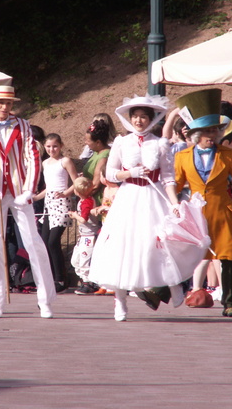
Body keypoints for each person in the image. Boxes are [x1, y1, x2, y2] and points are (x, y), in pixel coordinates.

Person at [89, 94, 209, 322]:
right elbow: (110, 173)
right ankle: (120, 302)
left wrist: (174, 204)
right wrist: (130, 173)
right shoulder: (122, 143)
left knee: (161, 242)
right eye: (135, 117)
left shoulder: (159, 143)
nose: (139, 121)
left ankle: (173, 284)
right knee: (123, 247)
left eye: (144, 117)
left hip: (153, 197)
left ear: (151, 119)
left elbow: (168, 177)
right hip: (129, 197)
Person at [174, 89, 232, 318]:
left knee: (228, 259)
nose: (212, 135)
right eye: (207, 131)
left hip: (223, 212)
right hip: (196, 214)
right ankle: (160, 289)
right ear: (196, 134)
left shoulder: (227, 153)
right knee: (181, 253)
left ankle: (230, 303)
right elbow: (175, 185)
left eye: (214, 130)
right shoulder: (182, 157)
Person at [0, 85, 56, 318]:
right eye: (0, 102)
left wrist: (29, 188)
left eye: (8, 103)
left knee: (33, 243)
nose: (5, 107)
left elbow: (33, 157)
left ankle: (45, 299)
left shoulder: (24, 125)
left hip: (19, 191)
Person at [34, 133, 77, 293]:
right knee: (45, 243)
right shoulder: (45, 163)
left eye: (55, 146)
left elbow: (76, 182)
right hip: (48, 204)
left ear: (61, 146)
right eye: (49, 146)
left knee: (53, 241)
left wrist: (66, 193)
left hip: (61, 203)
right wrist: (36, 197)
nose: (52, 149)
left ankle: (61, 278)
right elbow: (49, 187)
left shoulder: (65, 161)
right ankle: (51, 277)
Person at [69, 177, 101, 295]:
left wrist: (74, 215)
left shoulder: (87, 202)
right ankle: (84, 280)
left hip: (89, 236)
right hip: (83, 235)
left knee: (84, 259)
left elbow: (83, 219)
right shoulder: (82, 201)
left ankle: (88, 283)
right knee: (75, 260)